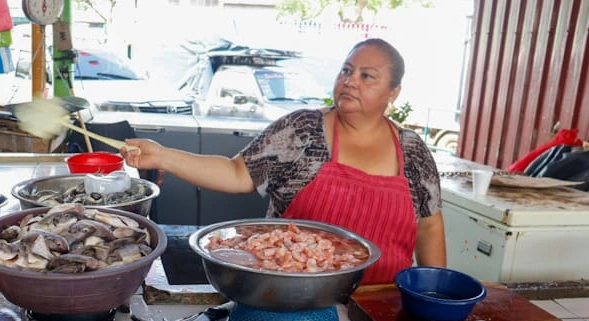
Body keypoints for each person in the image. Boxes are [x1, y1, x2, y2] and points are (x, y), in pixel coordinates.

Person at [122, 38, 446, 284]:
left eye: (367, 76)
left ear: (394, 92)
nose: (350, 81)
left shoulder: (412, 151)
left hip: (381, 305)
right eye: (346, 70)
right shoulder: (302, 131)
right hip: (295, 298)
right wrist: (163, 155)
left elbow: (430, 226)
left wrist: (434, 293)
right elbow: (237, 173)